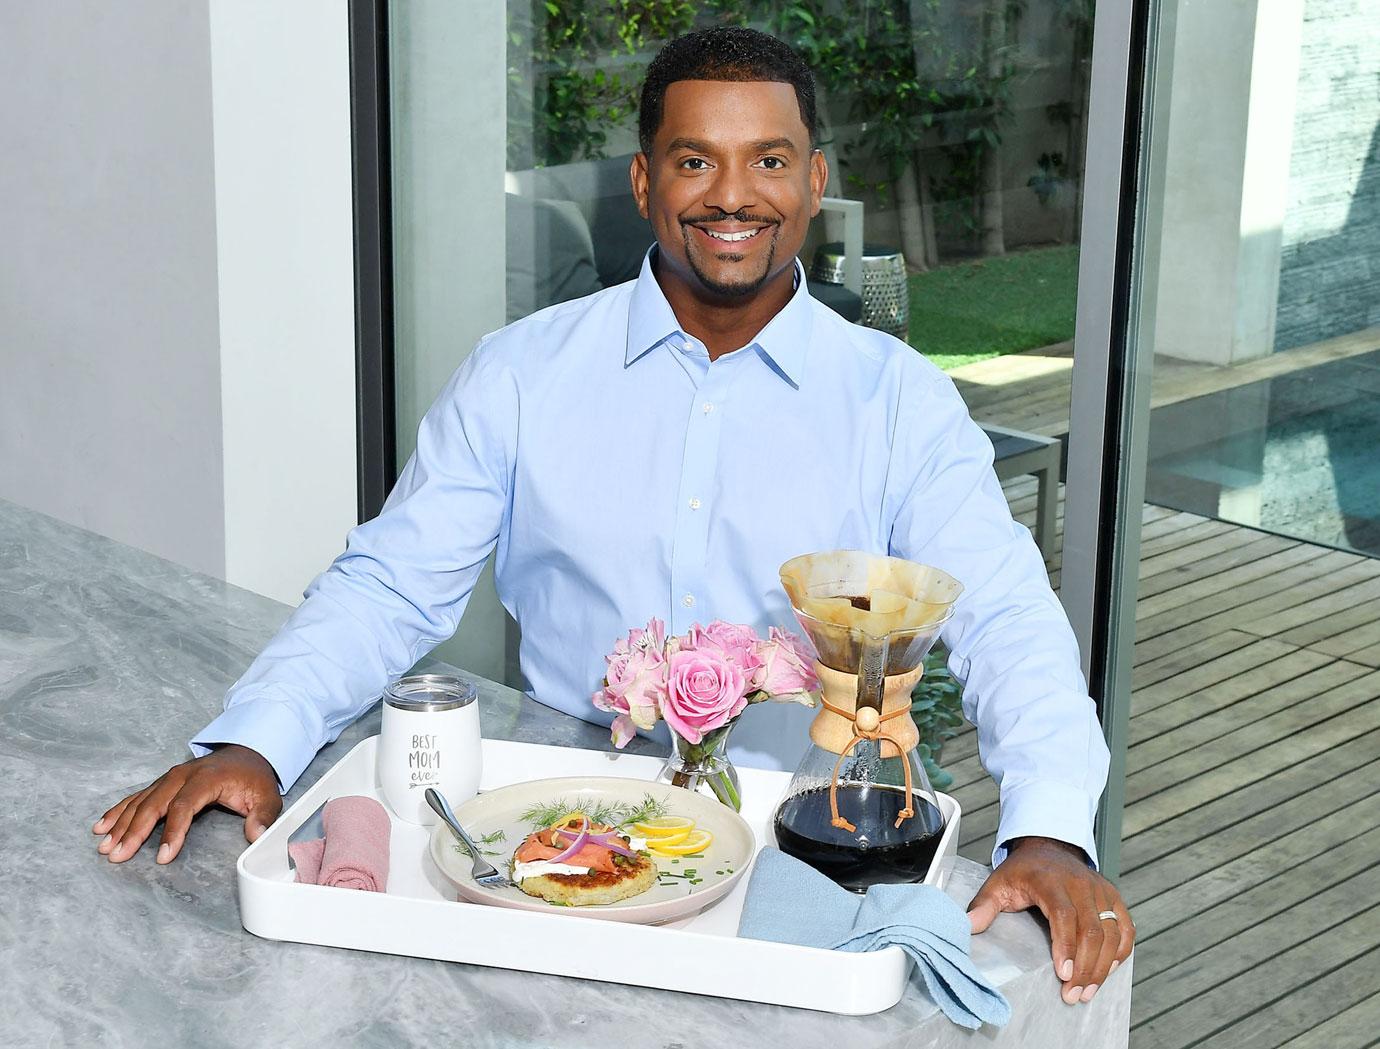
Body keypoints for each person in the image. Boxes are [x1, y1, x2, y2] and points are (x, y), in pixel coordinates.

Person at [94, 27, 1133, 1004]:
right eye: (695, 161)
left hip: (795, 866)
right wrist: (253, 742)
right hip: (542, 842)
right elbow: (390, 584)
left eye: (771, 160)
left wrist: (1049, 832)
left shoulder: (900, 401)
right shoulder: (519, 374)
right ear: (645, 181)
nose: (734, 195)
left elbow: (1003, 616)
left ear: (817, 180)